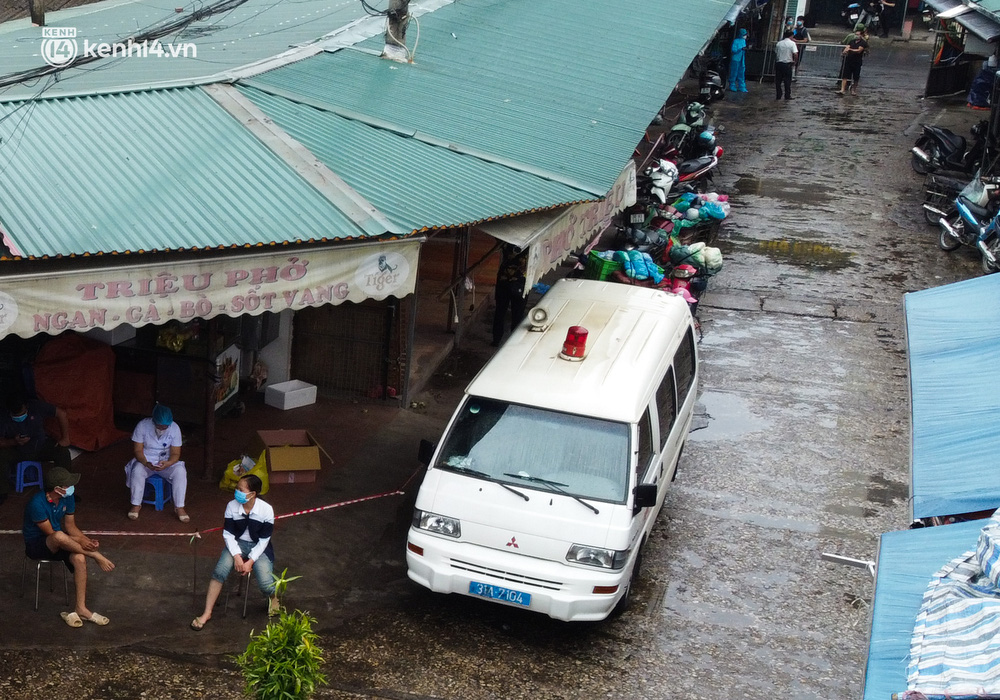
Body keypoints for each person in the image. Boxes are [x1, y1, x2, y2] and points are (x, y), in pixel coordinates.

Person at [23, 466, 115, 627]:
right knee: (59, 536)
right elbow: (52, 535)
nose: (71, 488)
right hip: (38, 544)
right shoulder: (36, 503)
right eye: (67, 485)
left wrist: (87, 541)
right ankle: (96, 556)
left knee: (79, 557)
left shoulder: (67, 498)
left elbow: (71, 527)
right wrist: (90, 550)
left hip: (61, 540)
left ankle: (81, 608)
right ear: (57, 489)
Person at [191, 474, 279, 630]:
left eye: (240, 489)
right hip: (236, 545)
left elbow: (264, 540)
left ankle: (273, 597)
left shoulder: (266, 510)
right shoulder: (231, 506)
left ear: (252, 494)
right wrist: (237, 557)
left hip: (258, 547)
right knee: (219, 572)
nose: (236, 492)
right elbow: (228, 534)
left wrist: (251, 560)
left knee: (266, 584)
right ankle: (207, 612)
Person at [0, 392, 72, 505]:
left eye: (22, 413)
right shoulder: (3, 416)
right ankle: (2, 492)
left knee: (62, 452)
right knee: (1, 455)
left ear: (26, 406)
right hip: (17, 449)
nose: (19, 417)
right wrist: (13, 441)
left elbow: (61, 413)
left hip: (40, 446)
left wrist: (65, 438)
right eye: (16, 416)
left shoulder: (36, 406)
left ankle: (63, 490)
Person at [125, 404, 189, 522]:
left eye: (165, 427)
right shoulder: (142, 426)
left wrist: (168, 463)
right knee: (137, 470)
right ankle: (136, 505)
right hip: (146, 460)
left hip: (166, 462)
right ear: (154, 421)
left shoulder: (175, 428)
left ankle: (179, 507)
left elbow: (176, 453)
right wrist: (146, 462)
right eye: (159, 426)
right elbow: (138, 450)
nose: (162, 429)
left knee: (180, 471)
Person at [491, 242, 528, 347]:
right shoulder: (529, 240)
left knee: (500, 311)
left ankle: (496, 340)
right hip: (519, 281)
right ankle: (513, 342)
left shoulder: (506, 240)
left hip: (505, 280)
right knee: (517, 314)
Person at [838, 27, 869, 96]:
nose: (856, 36)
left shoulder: (863, 43)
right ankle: (842, 89)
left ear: (861, 35)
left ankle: (853, 90)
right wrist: (845, 51)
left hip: (857, 61)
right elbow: (847, 46)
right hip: (849, 60)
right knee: (845, 75)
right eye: (856, 34)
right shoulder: (852, 41)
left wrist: (850, 50)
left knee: (856, 77)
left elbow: (859, 50)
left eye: (858, 35)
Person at [774, 30, 798, 101]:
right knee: (787, 81)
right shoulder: (792, 44)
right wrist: (795, 62)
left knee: (778, 81)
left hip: (779, 63)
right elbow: (795, 54)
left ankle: (778, 95)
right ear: (791, 36)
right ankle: (787, 95)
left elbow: (776, 52)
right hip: (787, 64)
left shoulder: (779, 43)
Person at [728, 28, 749, 93]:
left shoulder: (743, 41)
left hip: (742, 59)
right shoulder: (736, 41)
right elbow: (733, 50)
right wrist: (741, 48)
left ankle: (742, 86)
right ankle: (732, 85)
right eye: (744, 34)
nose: (745, 36)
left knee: (741, 73)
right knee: (734, 72)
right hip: (736, 59)